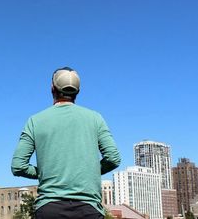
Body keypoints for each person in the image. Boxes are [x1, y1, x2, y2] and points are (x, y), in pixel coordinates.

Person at [11, 67, 121, 219]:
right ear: (78, 91)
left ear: (52, 88)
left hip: (49, 209)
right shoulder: (95, 118)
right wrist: (87, 172)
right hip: (88, 209)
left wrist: (47, 172)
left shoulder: (35, 121)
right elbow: (113, 158)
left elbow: (18, 166)